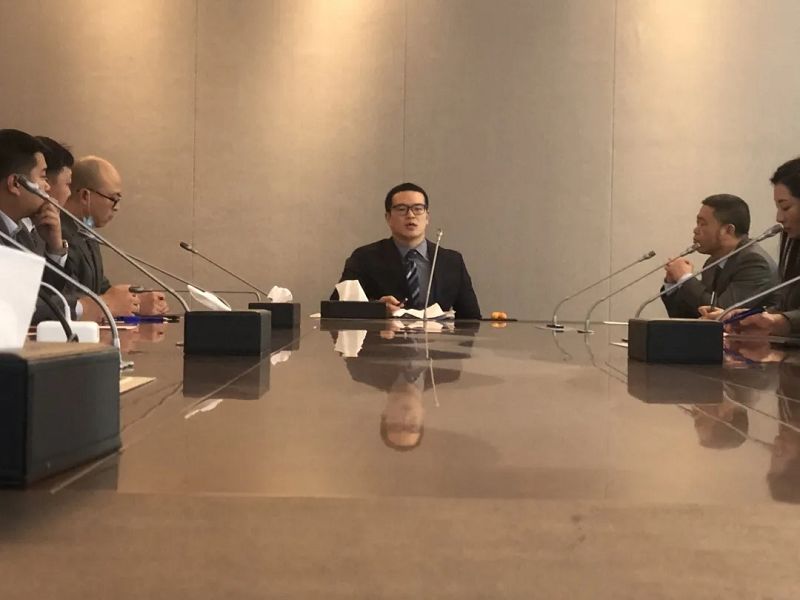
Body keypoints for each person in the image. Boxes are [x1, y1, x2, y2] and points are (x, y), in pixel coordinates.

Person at [332, 182, 481, 319]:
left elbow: (471, 318)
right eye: (402, 209)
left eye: (418, 209)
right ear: (388, 217)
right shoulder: (364, 258)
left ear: (427, 217)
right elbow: (335, 309)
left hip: (436, 339)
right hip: (385, 339)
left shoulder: (452, 261)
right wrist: (377, 309)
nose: (411, 215)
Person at [61, 155, 169, 319]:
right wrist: (118, 303)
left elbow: (101, 290)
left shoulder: (86, 231)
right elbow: (70, 296)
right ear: (85, 196)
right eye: (114, 199)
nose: (117, 207)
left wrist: (137, 301)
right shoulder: (57, 234)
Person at [702, 159, 800, 334]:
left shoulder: (753, 259)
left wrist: (779, 322)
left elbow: (786, 318)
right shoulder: (794, 251)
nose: (779, 217)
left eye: (785, 207)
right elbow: (787, 307)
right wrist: (746, 317)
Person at [0, 129, 77, 323]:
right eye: (43, 177)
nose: (47, 187)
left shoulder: (21, 234)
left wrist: (55, 248)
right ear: (15, 184)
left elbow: (41, 294)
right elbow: (20, 309)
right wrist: (82, 307)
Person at [661, 194, 777, 318]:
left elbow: (721, 313)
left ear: (728, 230)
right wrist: (673, 284)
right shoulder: (712, 262)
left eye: (703, 224)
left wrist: (685, 278)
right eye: (697, 223)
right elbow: (689, 316)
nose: (696, 230)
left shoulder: (754, 263)